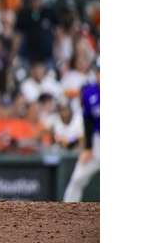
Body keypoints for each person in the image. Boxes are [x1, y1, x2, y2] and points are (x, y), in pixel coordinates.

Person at [63, 58, 100, 202]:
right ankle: (65, 213)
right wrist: (88, 147)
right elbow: (88, 120)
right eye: (99, 72)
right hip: (98, 141)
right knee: (77, 178)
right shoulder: (89, 92)